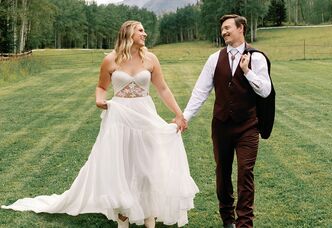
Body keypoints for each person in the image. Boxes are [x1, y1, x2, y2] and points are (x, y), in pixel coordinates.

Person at [2, 20, 199, 228]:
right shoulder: (110, 60)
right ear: (128, 34)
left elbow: (163, 89)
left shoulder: (150, 59)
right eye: (141, 30)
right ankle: (123, 216)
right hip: (119, 118)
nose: (145, 34)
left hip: (144, 117)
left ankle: (149, 215)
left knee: (148, 166)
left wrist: (179, 115)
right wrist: (99, 99)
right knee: (121, 167)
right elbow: (101, 86)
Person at [183, 14, 272, 228]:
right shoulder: (214, 59)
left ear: (241, 28)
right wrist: (185, 117)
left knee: (245, 172)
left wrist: (247, 72)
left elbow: (266, 91)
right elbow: (200, 92)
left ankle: (245, 222)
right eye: (222, 29)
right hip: (221, 126)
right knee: (222, 173)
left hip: (248, 126)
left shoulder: (257, 57)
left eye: (227, 28)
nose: (223, 32)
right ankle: (227, 219)